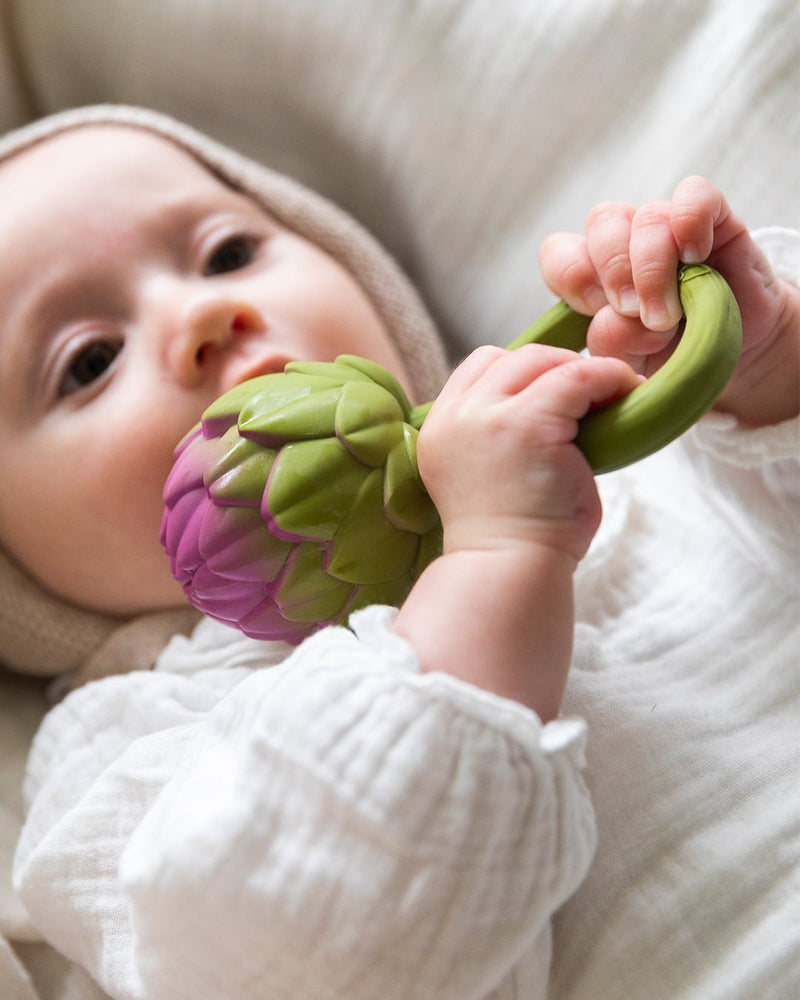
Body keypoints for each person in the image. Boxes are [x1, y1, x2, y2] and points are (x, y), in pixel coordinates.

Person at [0, 105, 797, 1000]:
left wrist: (762, 373)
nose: (205, 315)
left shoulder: (606, 452)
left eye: (227, 254)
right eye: (88, 360)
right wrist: (498, 558)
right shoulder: (118, 751)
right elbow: (290, 950)